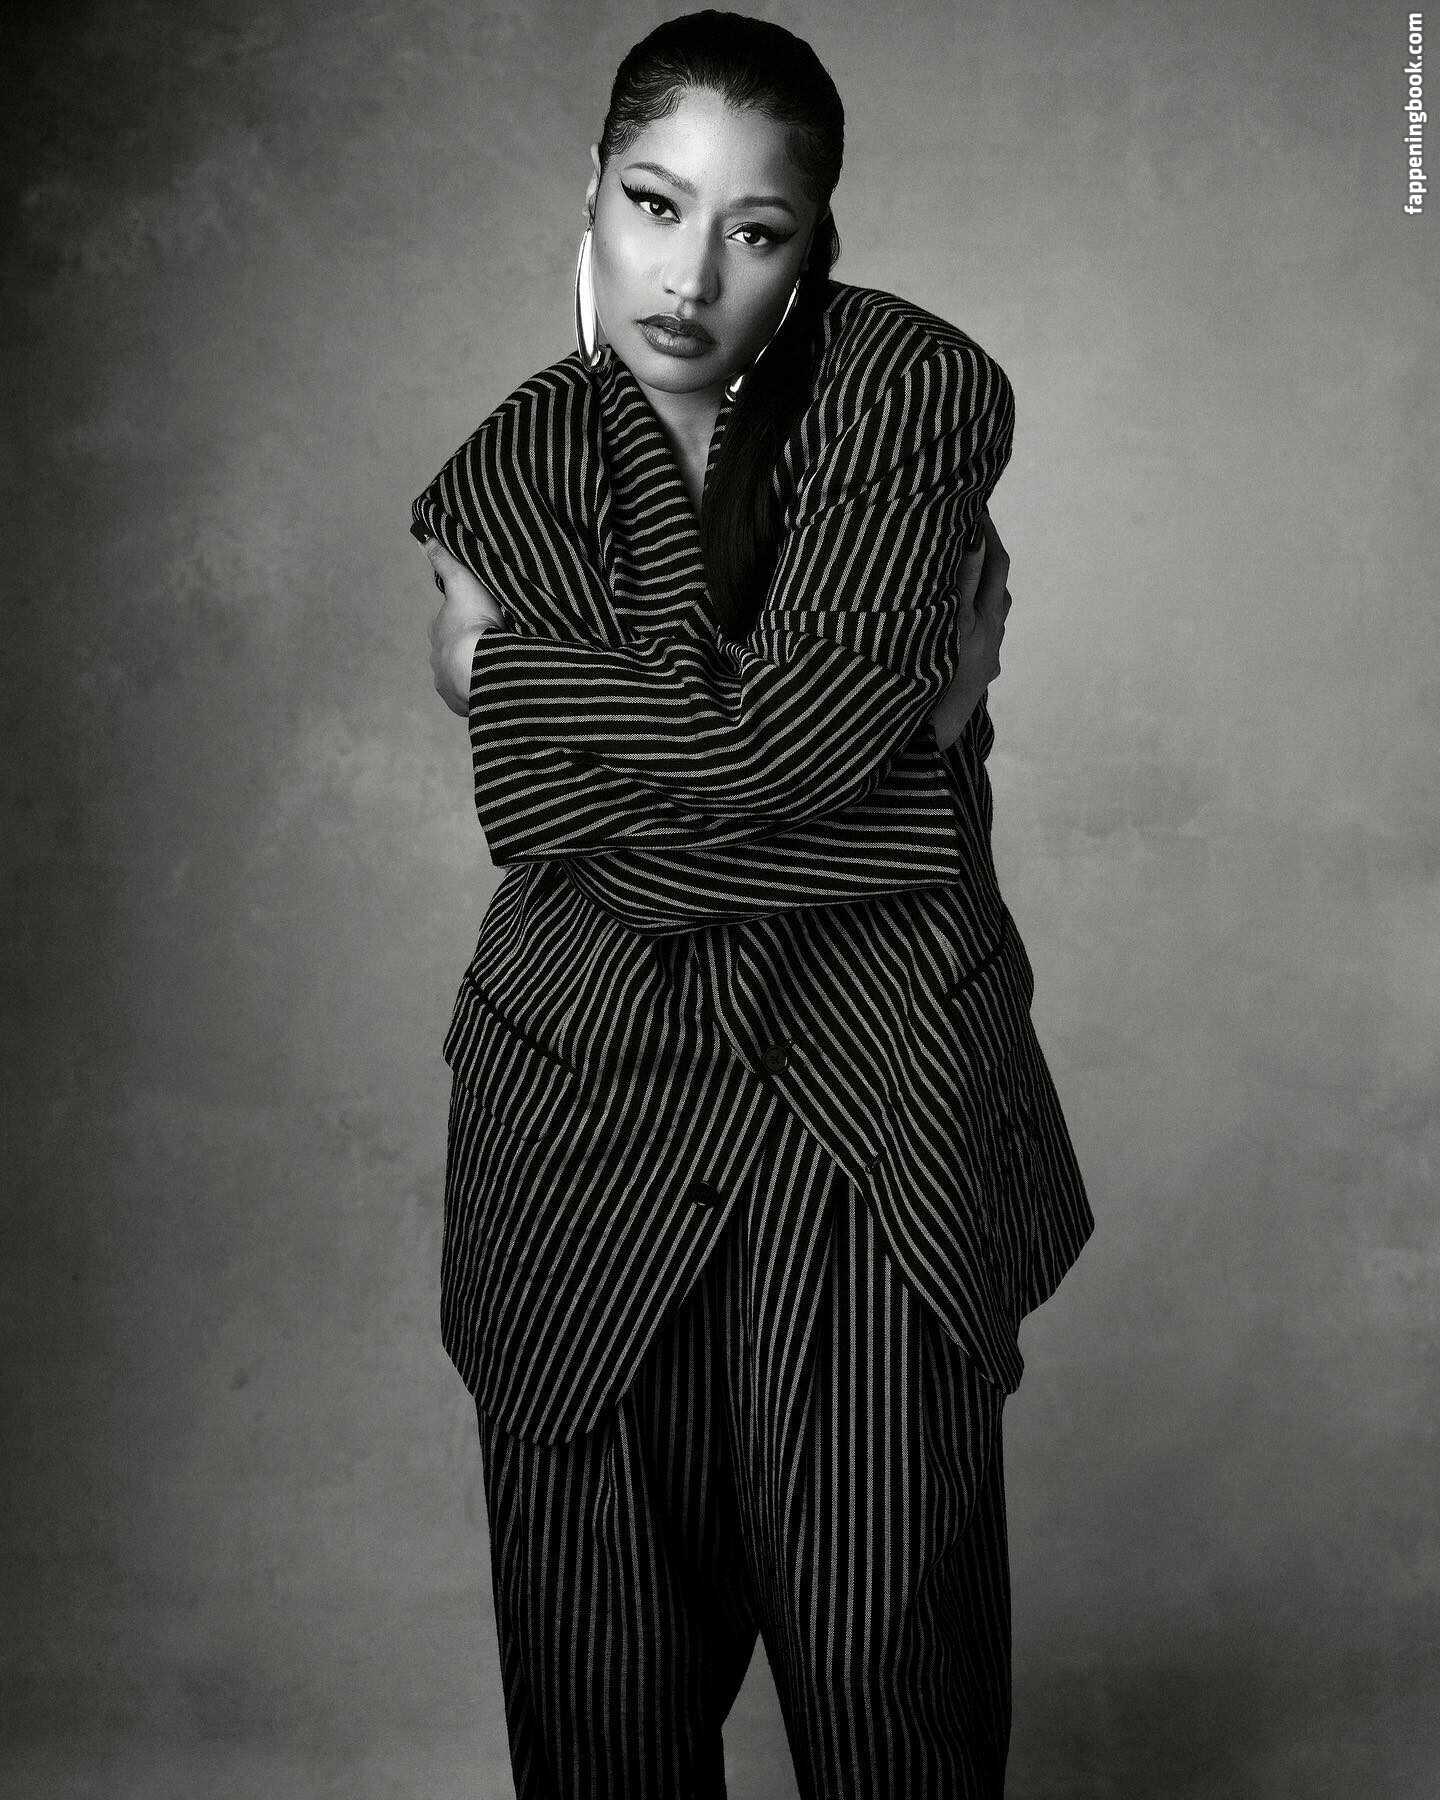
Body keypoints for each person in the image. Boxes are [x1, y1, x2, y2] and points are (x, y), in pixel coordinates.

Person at [410, 12, 1094, 1796]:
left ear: (813, 238)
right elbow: (567, 810)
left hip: (871, 1134)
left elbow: (785, 745)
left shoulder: (910, 390)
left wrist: (506, 676)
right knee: (602, 1737)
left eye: (755, 228)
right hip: (576, 1128)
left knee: (897, 1721)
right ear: (593, 188)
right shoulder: (514, 466)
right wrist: (892, 773)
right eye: (655, 203)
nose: (690, 274)